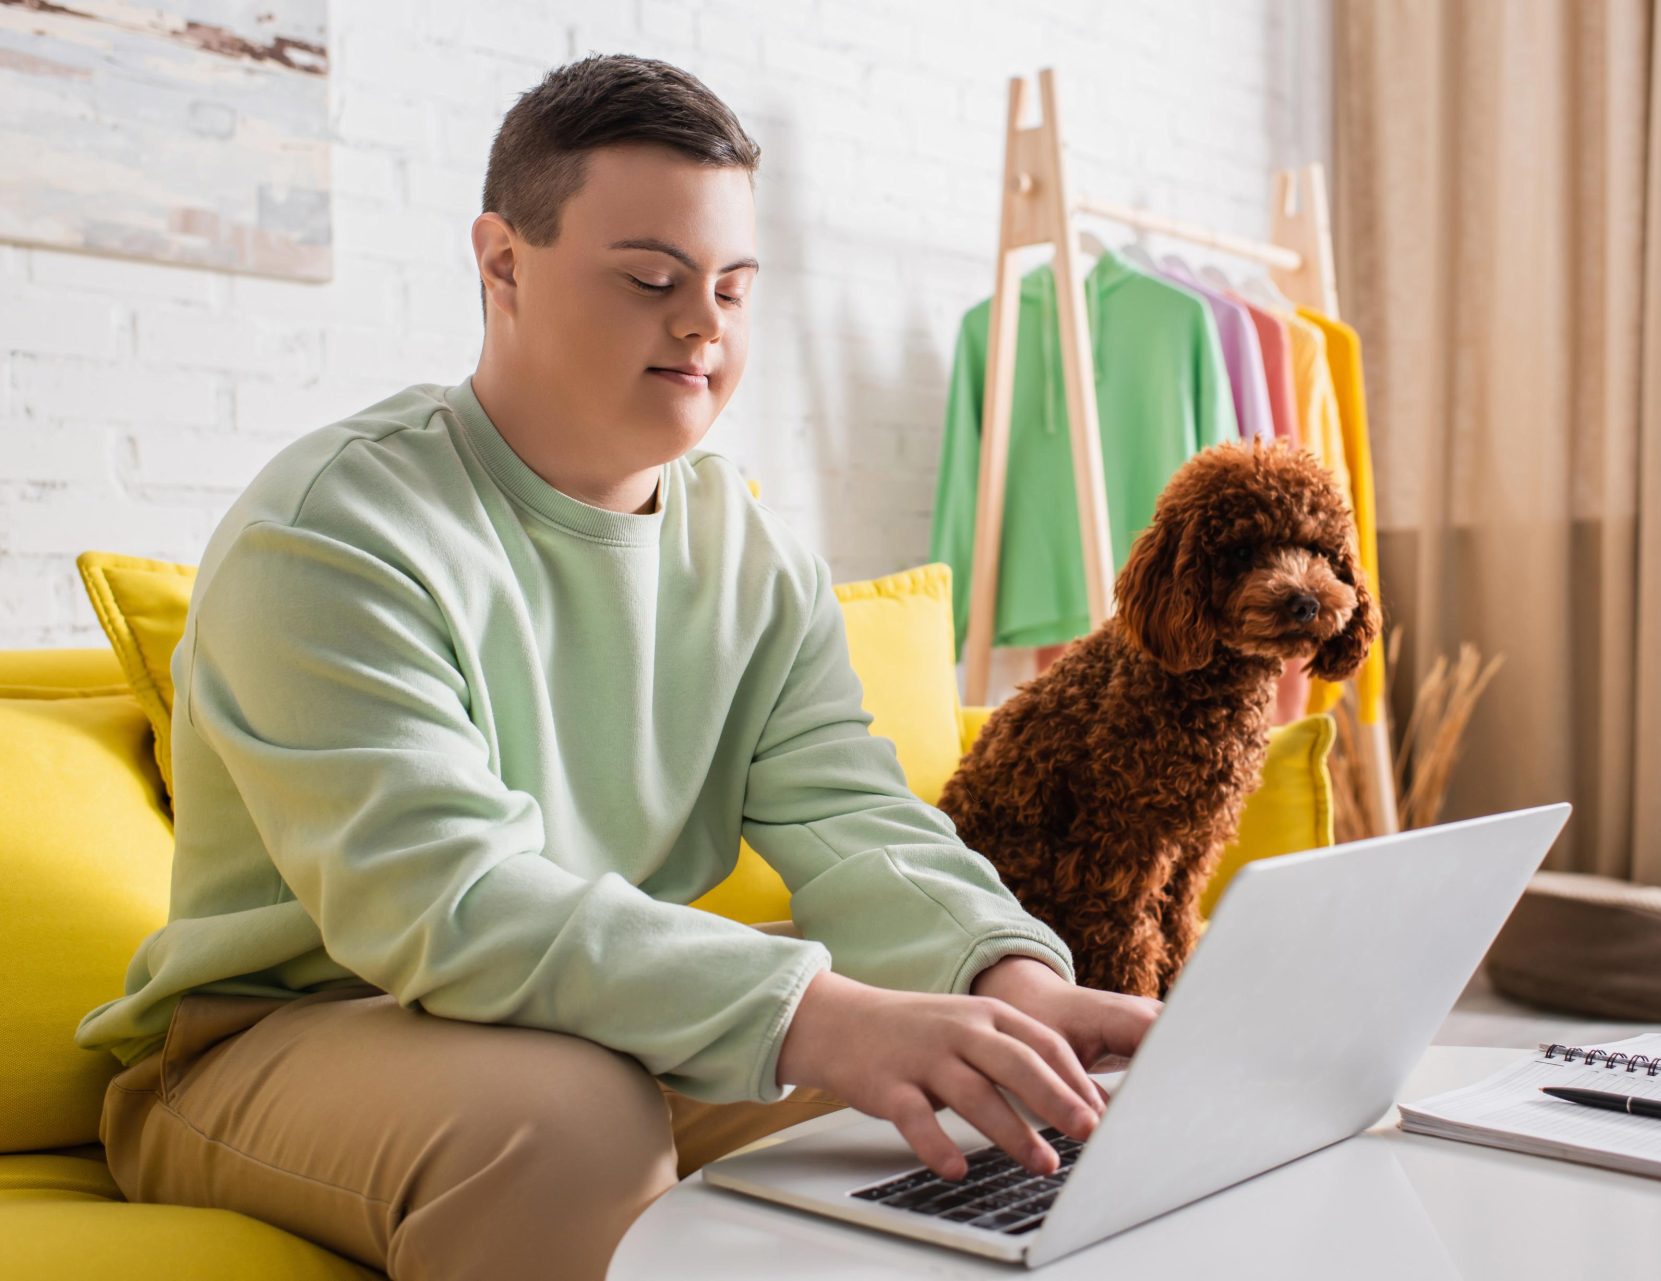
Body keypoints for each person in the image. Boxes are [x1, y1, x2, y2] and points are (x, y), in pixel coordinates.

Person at [73, 52, 1162, 1281]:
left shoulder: (753, 555)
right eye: (653, 279)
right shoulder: (332, 534)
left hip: (585, 1021)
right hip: (277, 1041)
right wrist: (819, 1014)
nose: (702, 323)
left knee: (983, 1112)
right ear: (502, 265)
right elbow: (447, 903)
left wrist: (1006, 979)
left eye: (735, 290)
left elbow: (853, 819)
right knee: (565, 1119)